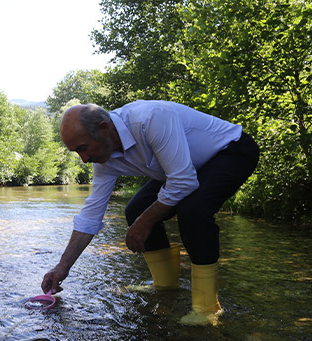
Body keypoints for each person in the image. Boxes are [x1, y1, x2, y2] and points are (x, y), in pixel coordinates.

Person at [41, 101, 259, 325]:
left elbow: (183, 182)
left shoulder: (150, 119)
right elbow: (91, 215)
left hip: (230, 151)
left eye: (83, 148)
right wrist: (62, 268)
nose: (83, 159)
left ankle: (207, 309)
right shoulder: (103, 161)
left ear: (104, 129)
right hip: (185, 168)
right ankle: (165, 287)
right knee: (135, 209)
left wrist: (144, 223)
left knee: (192, 211)